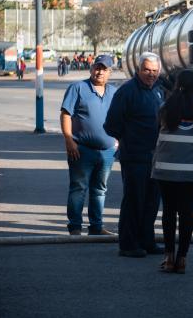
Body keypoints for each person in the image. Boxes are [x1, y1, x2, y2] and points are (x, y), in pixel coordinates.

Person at [104, 52, 165, 258]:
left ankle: (147, 241)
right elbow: (111, 124)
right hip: (134, 157)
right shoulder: (126, 92)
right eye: (147, 70)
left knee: (151, 202)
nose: (151, 74)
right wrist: (130, 139)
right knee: (134, 201)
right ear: (138, 70)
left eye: (155, 71)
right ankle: (128, 245)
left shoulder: (158, 90)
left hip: (154, 158)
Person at [151, 69, 193, 274]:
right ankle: (182, 259)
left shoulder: (164, 108)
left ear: (177, 84)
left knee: (168, 211)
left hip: (165, 170)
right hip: (191, 172)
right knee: (186, 213)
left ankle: (168, 258)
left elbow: (155, 133)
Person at [60, 55, 118, 235]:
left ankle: (96, 227)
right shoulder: (77, 88)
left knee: (100, 190)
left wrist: (118, 140)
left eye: (104, 69)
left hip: (107, 152)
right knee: (78, 188)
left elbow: (121, 117)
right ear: (91, 68)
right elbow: (65, 114)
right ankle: (75, 227)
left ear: (110, 72)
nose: (99, 72)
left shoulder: (114, 92)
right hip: (81, 149)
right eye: (97, 67)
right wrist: (69, 140)